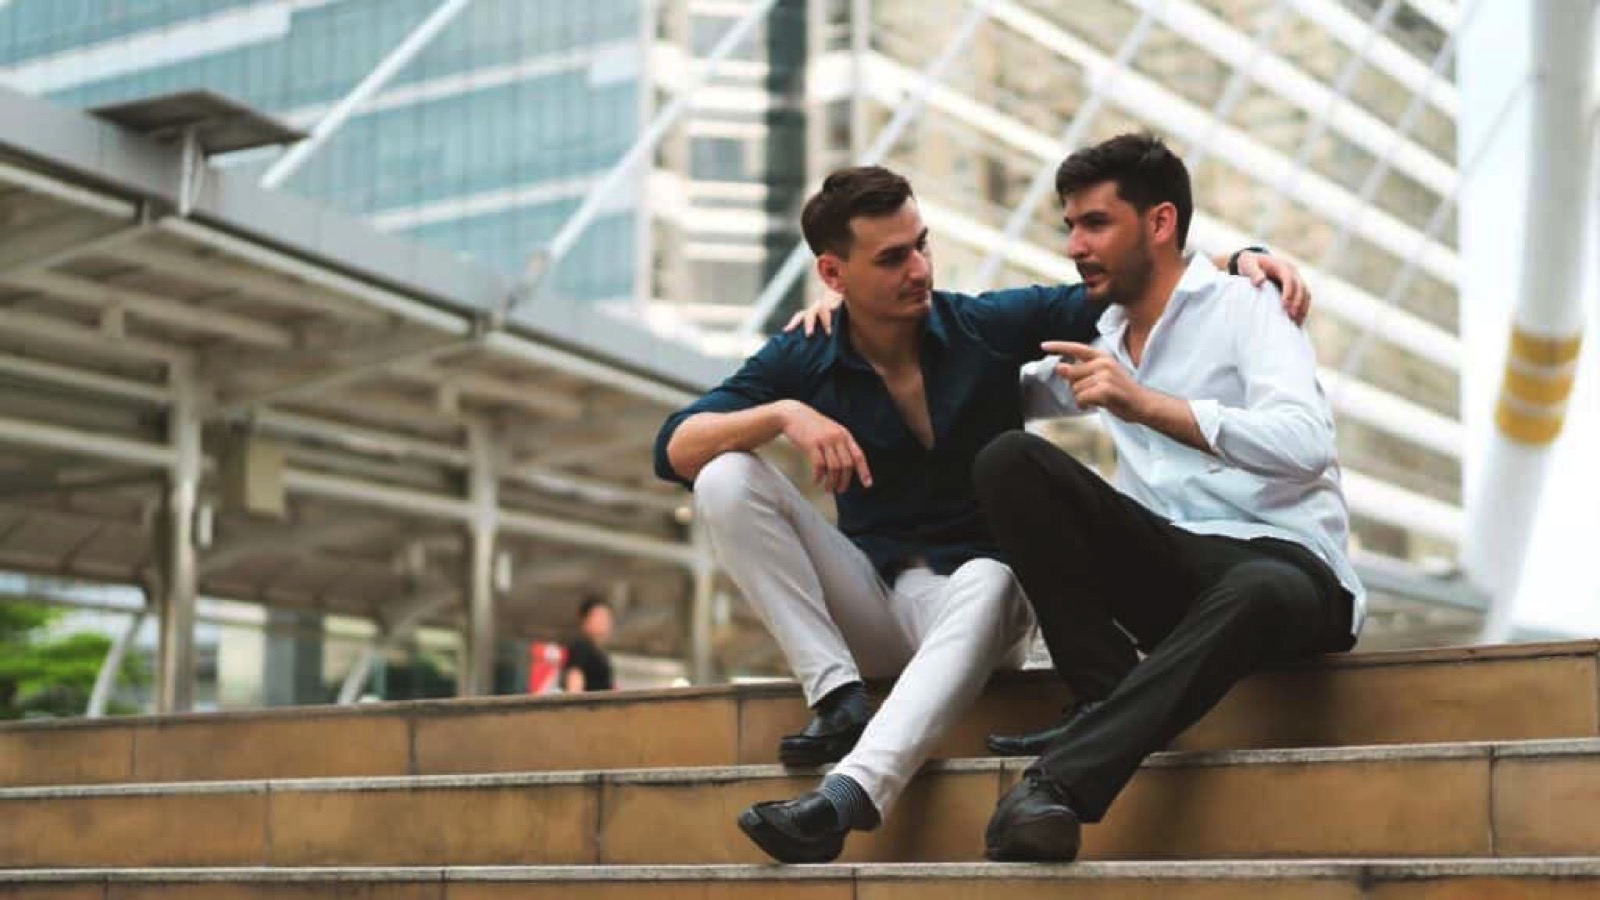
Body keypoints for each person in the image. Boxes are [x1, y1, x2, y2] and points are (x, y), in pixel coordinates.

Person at [652, 166, 1305, 864]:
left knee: (993, 578)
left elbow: (1142, 286)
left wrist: (1237, 260)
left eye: (921, 245)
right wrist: (784, 412)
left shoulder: (984, 326)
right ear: (834, 274)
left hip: (980, 613)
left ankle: (847, 798)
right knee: (724, 475)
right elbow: (674, 448)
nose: (919, 269)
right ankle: (837, 695)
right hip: (874, 602)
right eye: (893, 257)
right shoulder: (804, 357)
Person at [972, 133, 1363, 862]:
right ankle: (1103, 693)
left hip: (1288, 568)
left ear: (1158, 224)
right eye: (1070, 227)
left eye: (1095, 223)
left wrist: (1147, 404)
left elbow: (1307, 442)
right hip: (1175, 572)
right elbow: (991, 396)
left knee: (1256, 589)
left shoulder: (1248, 305)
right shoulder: (1104, 338)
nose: (1074, 245)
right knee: (1011, 462)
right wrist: (859, 340)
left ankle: (1056, 788)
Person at [563, 596, 616, 693]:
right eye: (599, 616)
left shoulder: (598, 652)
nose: (604, 622)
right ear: (584, 620)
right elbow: (575, 676)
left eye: (607, 617)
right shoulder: (582, 647)